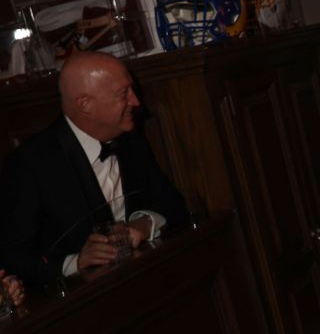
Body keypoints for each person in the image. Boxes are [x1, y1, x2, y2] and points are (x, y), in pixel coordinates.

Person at [0, 52, 187, 291]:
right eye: (123, 94)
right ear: (85, 104)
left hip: (152, 282)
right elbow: (11, 257)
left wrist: (144, 224)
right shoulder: (30, 163)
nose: (136, 101)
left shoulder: (129, 138)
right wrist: (75, 262)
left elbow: (173, 204)